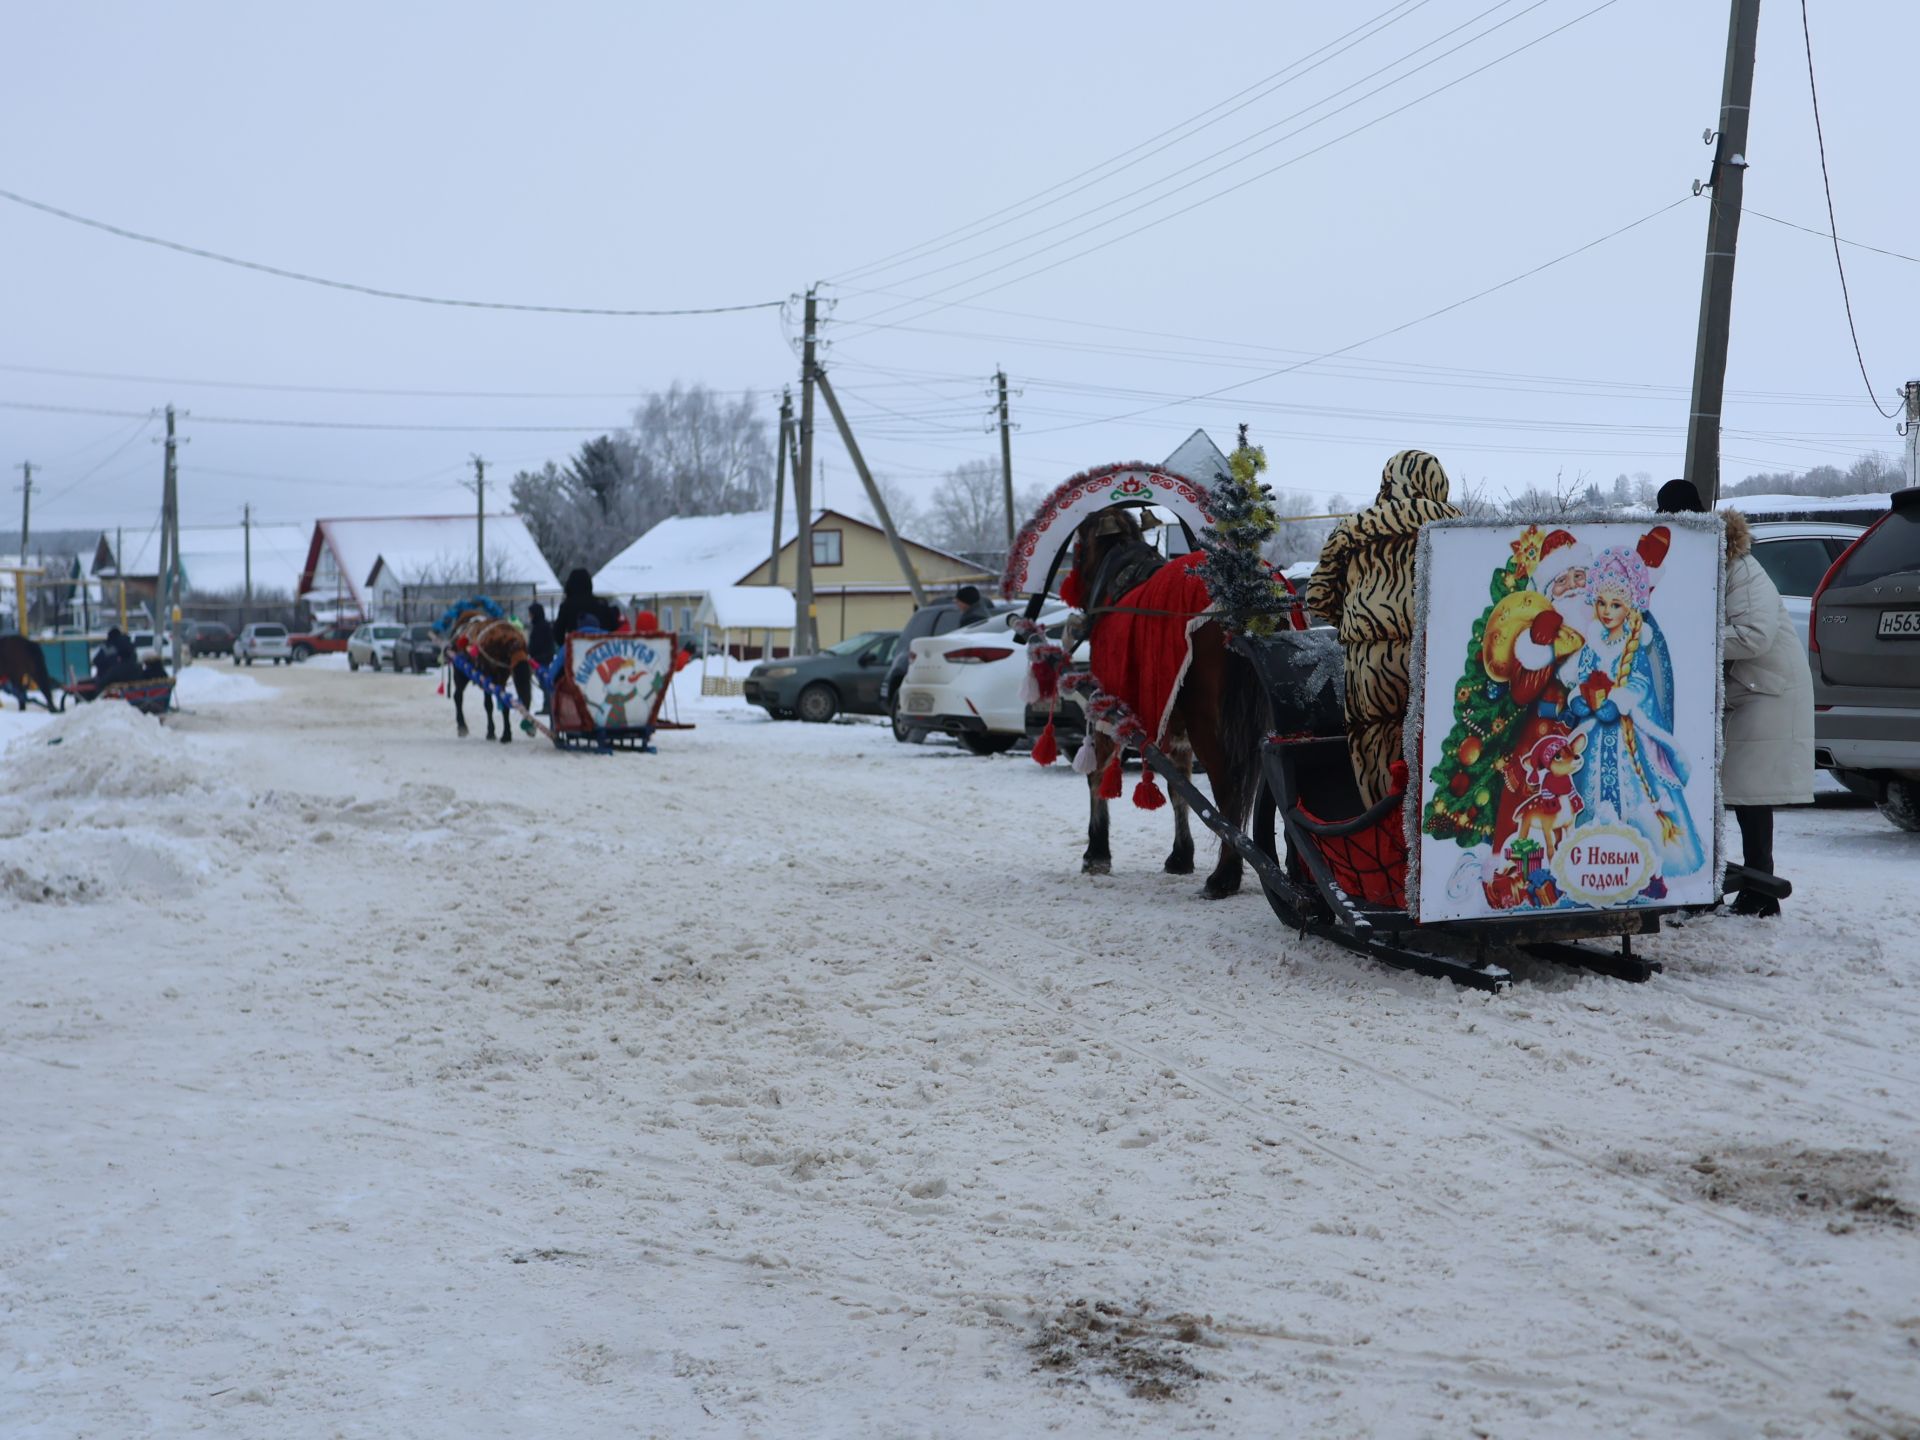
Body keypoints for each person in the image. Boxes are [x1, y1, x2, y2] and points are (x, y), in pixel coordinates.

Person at [1657, 478, 1811, 915]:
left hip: (1767, 690)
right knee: (1727, 791)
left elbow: (1754, 636)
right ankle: (1727, 887)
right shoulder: (1706, 563)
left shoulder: (1739, 566)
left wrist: (1691, 638)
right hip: (1745, 689)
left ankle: (1759, 892)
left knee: (1749, 792)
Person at [1307, 449, 1461, 807]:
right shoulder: (1458, 529)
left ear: (1389, 482)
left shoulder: (1353, 529)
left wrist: (1359, 623)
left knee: (1375, 748)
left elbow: (1317, 597)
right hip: (1439, 656)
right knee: (1440, 744)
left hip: (1371, 662)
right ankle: (1432, 841)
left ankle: (1385, 835)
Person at [1552, 527, 1707, 881]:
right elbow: (1582, 677)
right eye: (1602, 603)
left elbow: (1640, 683)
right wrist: (1579, 700)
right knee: (1590, 795)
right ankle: (1593, 861)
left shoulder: (1637, 643)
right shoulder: (1592, 641)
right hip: (1594, 735)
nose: (1607, 612)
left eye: (1616, 605)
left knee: (1642, 797)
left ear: (1631, 606)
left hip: (1628, 735)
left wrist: (1619, 701)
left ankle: (1661, 862)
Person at [551, 567, 621, 641]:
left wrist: (566, 645)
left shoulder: (566, 606)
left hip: (576, 647)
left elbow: (558, 633)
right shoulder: (601, 603)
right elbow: (613, 627)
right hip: (600, 646)